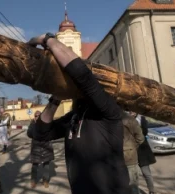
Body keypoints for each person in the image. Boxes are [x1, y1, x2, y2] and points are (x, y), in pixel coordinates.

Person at [27, 33, 130, 194]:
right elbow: (38, 133)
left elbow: (83, 76)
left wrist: (47, 39)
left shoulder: (109, 111)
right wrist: (55, 99)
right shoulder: (74, 116)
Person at [27, 110, 54, 189]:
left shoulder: (47, 123)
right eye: (36, 115)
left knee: (46, 166)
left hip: (46, 147)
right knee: (34, 166)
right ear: (34, 117)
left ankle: (45, 181)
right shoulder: (32, 124)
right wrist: (33, 124)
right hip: (36, 148)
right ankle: (33, 181)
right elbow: (29, 134)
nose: (37, 117)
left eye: (39, 115)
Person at [131, 113, 157, 194]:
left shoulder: (141, 119)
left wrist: (137, 128)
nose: (132, 112)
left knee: (146, 173)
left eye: (134, 111)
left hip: (142, 150)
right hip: (130, 150)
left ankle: (152, 191)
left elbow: (145, 132)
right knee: (133, 176)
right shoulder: (125, 119)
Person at [122, 112, 144, 194]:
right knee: (133, 184)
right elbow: (140, 139)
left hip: (112, 157)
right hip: (129, 156)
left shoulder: (107, 117)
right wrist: (131, 147)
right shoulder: (130, 119)